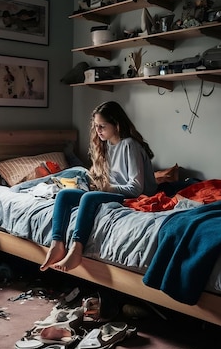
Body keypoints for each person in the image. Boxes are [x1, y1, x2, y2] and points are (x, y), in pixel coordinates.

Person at [40, 100, 156, 272]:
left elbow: (137, 188)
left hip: (135, 195)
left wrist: (107, 188)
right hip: (113, 190)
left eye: (102, 126)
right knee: (65, 194)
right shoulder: (106, 144)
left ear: (116, 125)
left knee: (88, 197)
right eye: (96, 126)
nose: (98, 131)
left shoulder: (129, 145)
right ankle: (57, 244)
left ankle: (76, 249)